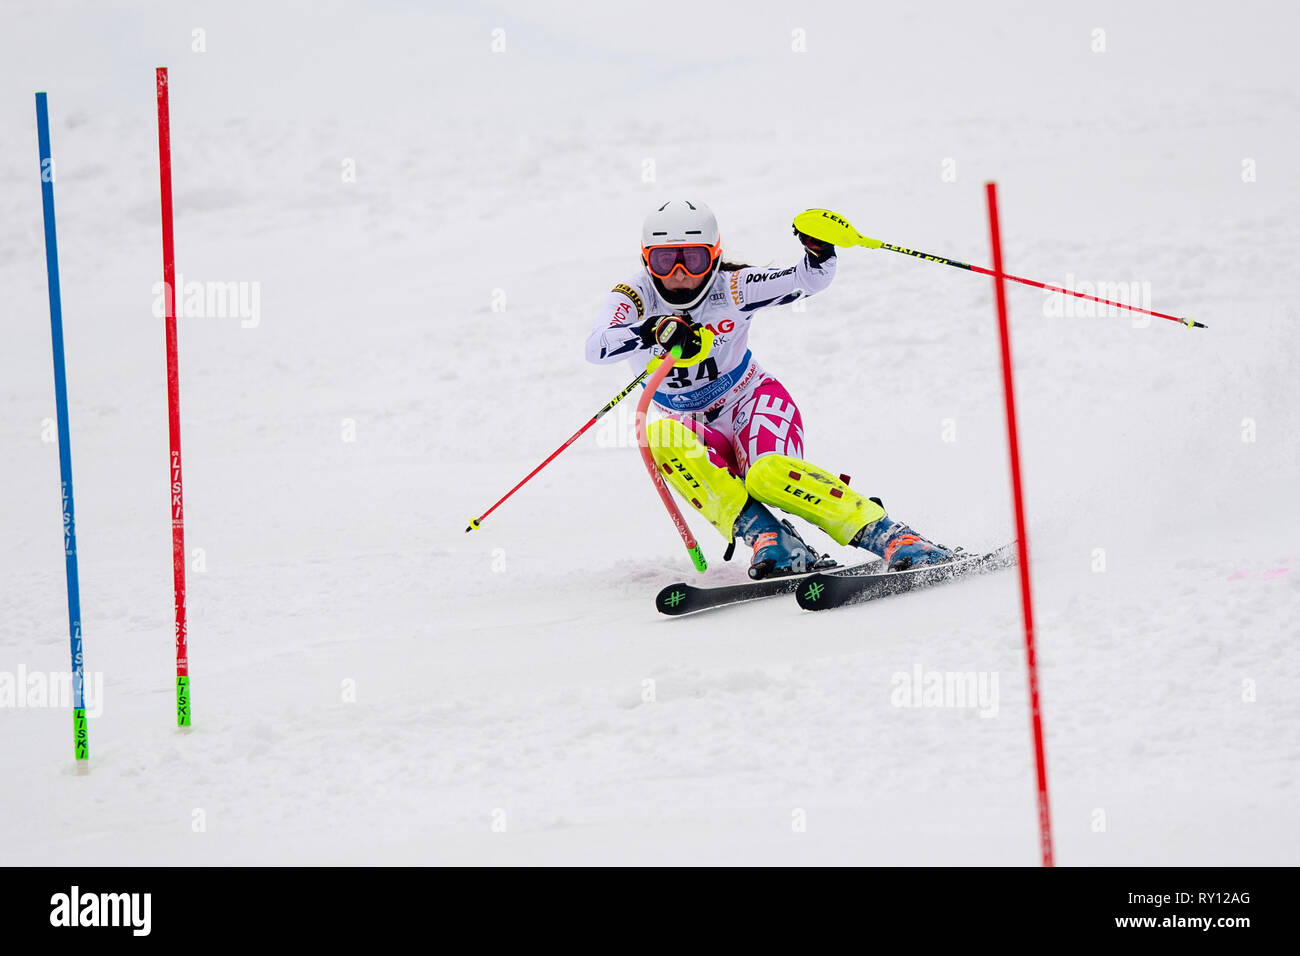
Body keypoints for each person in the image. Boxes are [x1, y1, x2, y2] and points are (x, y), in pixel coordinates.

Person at [584, 199, 955, 579]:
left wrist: (819, 250)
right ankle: (771, 538)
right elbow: (596, 347)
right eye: (665, 261)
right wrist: (648, 329)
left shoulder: (733, 287)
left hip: (751, 402)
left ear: (713, 256)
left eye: (692, 259)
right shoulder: (636, 294)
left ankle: (892, 536)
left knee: (767, 474)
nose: (679, 273)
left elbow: (807, 280)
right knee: (658, 434)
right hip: (693, 426)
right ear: (647, 260)